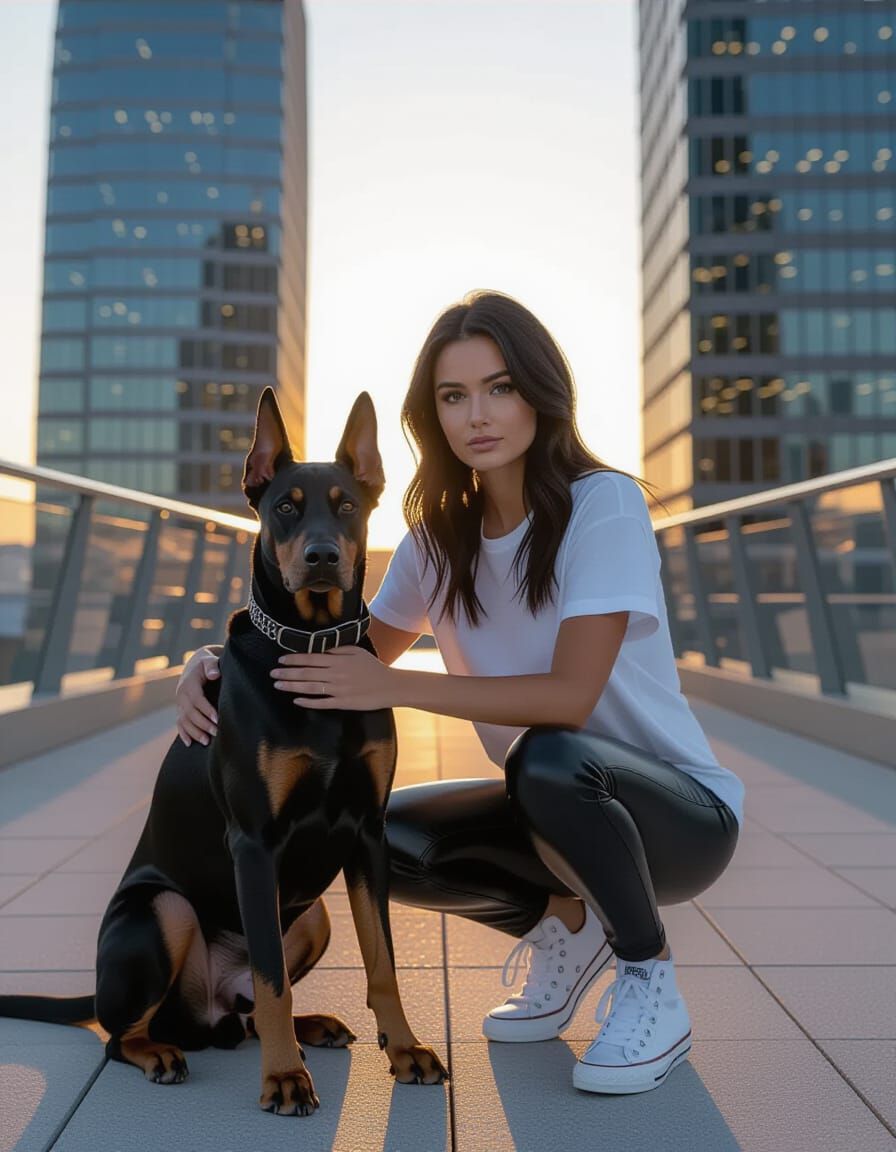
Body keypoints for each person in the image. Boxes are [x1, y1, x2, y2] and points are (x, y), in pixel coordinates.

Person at [176, 290, 743, 1095]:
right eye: (453, 396)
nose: (478, 414)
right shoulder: (435, 544)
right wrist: (210, 662)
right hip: (549, 805)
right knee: (387, 836)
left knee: (547, 757)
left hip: (678, 818)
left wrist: (399, 684)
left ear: (542, 394)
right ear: (432, 417)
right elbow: (333, 659)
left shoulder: (602, 506)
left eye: (500, 387)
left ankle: (650, 978)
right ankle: (568, 926)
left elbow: (572, 697)